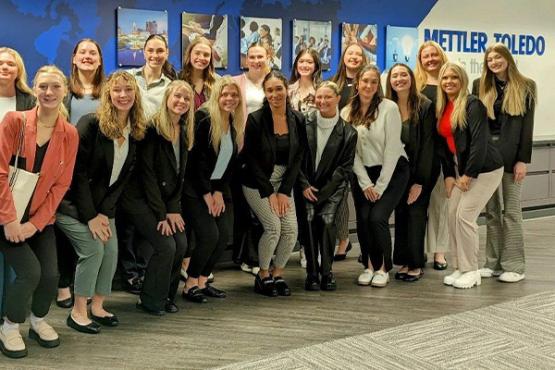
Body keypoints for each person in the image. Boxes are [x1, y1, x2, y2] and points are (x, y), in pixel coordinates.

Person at [56, 70, 147, 333]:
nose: (123, 95)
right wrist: (91, 216)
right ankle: (78, 311)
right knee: (94, 250)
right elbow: (78, 174)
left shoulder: (136, 130)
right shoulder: (90, 123)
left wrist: (105, 213)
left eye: (128, 90)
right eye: (117, 90)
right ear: (108, 94)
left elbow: (122, 180)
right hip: (71, 206)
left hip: (102, 208)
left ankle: (98, 306)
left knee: (111, 251)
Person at [0, 65, 78, 358]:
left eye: (55, 87)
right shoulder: (14, 121)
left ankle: (38, 321)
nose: (48, 92)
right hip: (4, 215)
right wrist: (9, 220)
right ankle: (10, 326)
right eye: (43, 86)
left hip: (38, 219)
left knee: (50, 274)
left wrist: (35, 224)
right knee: (29, 273)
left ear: (64, 91)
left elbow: (61, 185)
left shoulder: (69, 134)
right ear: (35, 89)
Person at [119, 80, 193, 315]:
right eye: (177, 96)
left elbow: (179, 176)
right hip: (139, 199)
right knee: (165, 245)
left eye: (186, 98)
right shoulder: (151, 129)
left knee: (181, 243)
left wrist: (173, 209)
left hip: (164, 202)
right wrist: (162, 215)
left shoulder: (184, 130)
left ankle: (166, 296)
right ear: (167, 98)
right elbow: (147, 175)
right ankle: (149, 299)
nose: (181, 101)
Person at [472, 43, 536, 283]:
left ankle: (515, 266)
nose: (494, 62)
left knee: (511, 211)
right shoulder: (480, 86)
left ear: (508, 59)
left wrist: (523, 160)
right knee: (491, 212)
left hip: (511, 158)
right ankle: (493, 263)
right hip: (488, 158)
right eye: (490, 59)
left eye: (498, 58)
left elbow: (527, 127)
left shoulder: (526, 85)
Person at [436, 62, 504, 289]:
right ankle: (460, 267)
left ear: (462, 80)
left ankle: (471, 270)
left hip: (485, 169)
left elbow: (479, 142)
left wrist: (468, 175)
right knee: (452, 213)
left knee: (465, 216)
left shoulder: (472, 104)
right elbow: (444, 146)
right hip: (462, 170)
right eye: (445, 78)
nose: (449, 82)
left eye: (454, 77)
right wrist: (450, 175)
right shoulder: (445, 105)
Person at [342, 65, 409, 288]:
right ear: (357, 83)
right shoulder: (346, 112)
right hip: (363, 174)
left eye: (373, 82)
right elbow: (350, 153)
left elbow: (392, 149)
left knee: (377, 217)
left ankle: (383, 268)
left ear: (377, 85)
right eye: (365, 81)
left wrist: (379, 187)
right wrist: (365, 182)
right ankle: (369, 266)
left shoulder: (389, 108)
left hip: (392, 171)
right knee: (363, 220)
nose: (369, 86)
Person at [242, 71, 306, 297]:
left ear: (286, 89)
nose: (275, 94)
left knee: (291, 230)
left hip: (284, 183)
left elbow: (298, 158)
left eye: (279, 88)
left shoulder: (298, 119)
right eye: (270, 90)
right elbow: (250, 160)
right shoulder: (256, 119)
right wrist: (269, 192)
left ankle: (277, 274)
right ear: (265, 92)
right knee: (273, 227)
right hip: (257, 183)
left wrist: (284, 192)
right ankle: (263, 275)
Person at [121, 34, 176, 294]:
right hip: (129, 147)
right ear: (143, 51)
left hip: (156, 152)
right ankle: (129, 272)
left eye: (160, 51)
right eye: (151, 50)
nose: (155, 55)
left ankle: (142, 268)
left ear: (167, 53)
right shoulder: (130, 79)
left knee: (148, 214)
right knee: (129, 217)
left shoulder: (171, 84)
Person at [182, 77, 244, 303]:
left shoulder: (233, 123)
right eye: (225, 94)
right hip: (195, 190)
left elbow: (228, 163)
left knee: (223, 237)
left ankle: (202, 281)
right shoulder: (204, 119)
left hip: (216, 189)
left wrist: (218, 191)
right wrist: (207, 194)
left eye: (234, 95)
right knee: (209, 236)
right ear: (216, 95)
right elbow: (196, 161)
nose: (229, 99)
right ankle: (189, 285)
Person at [55, 38, 105, 309]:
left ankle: (88, 287)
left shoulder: (107, 90)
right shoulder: (64, 89)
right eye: (82, 52)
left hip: (99, 171)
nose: (87, 56)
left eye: (93, 53)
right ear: (74, 58)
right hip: (67, 167)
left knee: (92, 227)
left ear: (99, 59)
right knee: (67, 228)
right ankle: (63, 285)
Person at [299, 81, 357, 291]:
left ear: (337, 98)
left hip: (332, 189)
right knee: (308, 220)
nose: (322, 101)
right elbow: (296, 158)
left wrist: (324, 192)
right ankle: (312, 273)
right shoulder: (303, 123)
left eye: (328, 97)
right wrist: (304, 184)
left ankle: (327, 272)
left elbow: (345, 168)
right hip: (306, 185)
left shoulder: (349, 132)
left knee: (326, 220)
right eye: (319, 97)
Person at [386, 63, 435, 282]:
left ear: (411, 78)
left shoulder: (424, 105)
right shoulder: (388, 106)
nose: (399, 79)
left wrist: (419, 181)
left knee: (416, 213)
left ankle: (416, 264)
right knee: (402, 215)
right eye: (395, 76)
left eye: (403, 75)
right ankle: (405, 261)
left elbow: (427, 146)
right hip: (397, 172)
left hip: (420, 171)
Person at [232, 44, 270, 275]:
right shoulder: (236, 82)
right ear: (246, 59)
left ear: (268, 58)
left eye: (260, 57)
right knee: (243, 208)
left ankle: (257, 254)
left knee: (262, 208)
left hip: (266, 153)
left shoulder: (273, 81)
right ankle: (246, 256)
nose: (256, 60)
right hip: (241, 151)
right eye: (252, 56)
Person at [414, 40, 450, 270]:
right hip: (419, 152)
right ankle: (416, 251)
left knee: (440, 204)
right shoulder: (415, 85)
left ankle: (439, 252)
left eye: (434, 55)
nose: (430, 59)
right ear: (420, 60)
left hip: (444, 151)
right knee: (417, 205)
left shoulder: (449, 83)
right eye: (426, 56)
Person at [331, 43, 368, 261]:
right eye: (350, 53)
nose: (353, 57)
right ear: (343, 57)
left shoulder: (367, 82)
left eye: (358, 54)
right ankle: (344, 240)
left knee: (364, 200)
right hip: (340, 149)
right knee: (341, 196)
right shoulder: (335, 83)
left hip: (364, 149)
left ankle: (367, 247)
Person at [178, 36, 219, 111]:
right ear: (190, 54)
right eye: (197, 53)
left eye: (206, 55)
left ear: (210, 58)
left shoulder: (218, 82)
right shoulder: (178, 79)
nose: (201, 58)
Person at [0, 47, 35, 120]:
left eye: (11, 64)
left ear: (18, 71)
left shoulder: (30, 101)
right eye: (0, 63)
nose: (5, 67)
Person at [288, 48, 321, 114]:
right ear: (296, 65)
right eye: (301, 61)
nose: (304, 65)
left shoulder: (321, 90)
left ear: (316, 66)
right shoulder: (288, 90)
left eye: (309, 62)